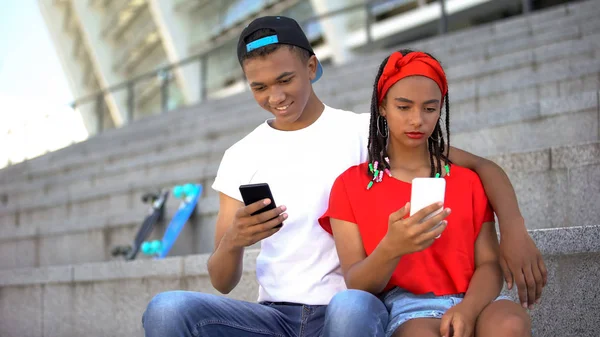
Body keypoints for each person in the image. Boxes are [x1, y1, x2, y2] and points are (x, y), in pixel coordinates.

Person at [142, 16, 545, 337]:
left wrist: (513, 229)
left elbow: (479, 167)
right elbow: (222, 281)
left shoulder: (366, 131)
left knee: (350, 307)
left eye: (285, 79)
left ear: (312, 66)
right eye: (259, 87)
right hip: (274, 317)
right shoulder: (239, 156)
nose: (275, 97)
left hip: (352, 307)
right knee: (166, 310)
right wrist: (234, 241)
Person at [318, 49, 532, 337]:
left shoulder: (467, 180)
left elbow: (490, 265)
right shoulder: (351, 185)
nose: (417, 120)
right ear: (382, 107)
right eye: (403, 107)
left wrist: (467, 309)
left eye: (429, 109)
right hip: (409, 306)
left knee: (510, 324)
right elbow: (356, 282)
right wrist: (392, 247)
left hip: (477, 299)